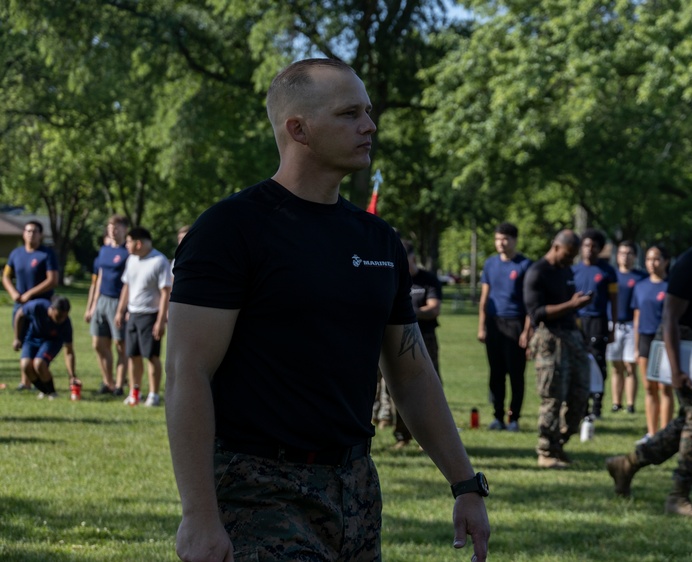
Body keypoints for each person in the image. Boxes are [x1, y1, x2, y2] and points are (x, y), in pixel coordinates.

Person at [165, 57, 489, 561]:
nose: (369, 125)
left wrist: (465, 483)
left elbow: (411, 373)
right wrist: (199, 515)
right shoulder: (231, 230)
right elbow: (188, 374)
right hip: (257, 488)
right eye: (349, 113)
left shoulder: (378, 239)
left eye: (368, 111)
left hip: (356, 487)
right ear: (299, 129)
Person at [606, 212, 692, 519]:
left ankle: (627, 463)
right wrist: (676, 367)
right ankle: (678, 496)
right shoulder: (690, 263)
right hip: (680, 344)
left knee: (691, 420)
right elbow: (669, 317)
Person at [524, 229, 592, 469]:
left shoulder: (566, 270)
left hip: (572, 337)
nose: (570, 259)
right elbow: (537, 313)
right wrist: (571, 304)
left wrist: (576, 306)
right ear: (556, 246)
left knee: (580, 395)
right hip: (550, 339)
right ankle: (545, 451)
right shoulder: (537, 273)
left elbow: (568, 306)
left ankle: (559, 443)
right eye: (568, 254)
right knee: (552, 397)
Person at [478, 222, 532, 431]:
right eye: (498, 238)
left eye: (505, 239)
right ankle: (498, 417)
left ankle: (514, 418)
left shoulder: (525, 265)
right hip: (494, 324)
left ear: (515, 240)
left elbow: (530, 303)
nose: (501, 243)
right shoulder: (490, 264)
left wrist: (527, 331)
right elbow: (484, 297)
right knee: (496, 373)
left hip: (516, 323)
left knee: (516, 374)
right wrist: (482, 326)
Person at [393, 239, 444, 450]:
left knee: (430, 386)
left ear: (413, 257)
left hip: (425, 338)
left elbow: (434, 309)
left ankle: (431, 437)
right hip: (399, 339)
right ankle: (403, 435)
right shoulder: (395, 279)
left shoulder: (428, 280)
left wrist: (407, 314)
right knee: (398, 387)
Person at [115, 227, 172, 407]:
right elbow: (127, 286)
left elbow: (165, 293)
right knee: (132, 355)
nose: (126, 246)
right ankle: (135, 393)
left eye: (129, 242)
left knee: (151, 356)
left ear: (138, 243)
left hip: (150, 315)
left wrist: (160, 320)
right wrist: (120, 310)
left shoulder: (159, 261)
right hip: (133, 314)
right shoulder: (131, 260)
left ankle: (153, 394)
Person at [3, 220, 60, 391]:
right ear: (23, 234)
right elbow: (6, 276)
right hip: (20, 305)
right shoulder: (16, 254)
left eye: (35, 231)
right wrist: (13, 293)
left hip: (41, 307)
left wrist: (30, 294)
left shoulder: (47, 254)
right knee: (23, 340)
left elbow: (53, 280)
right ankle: (25, 382)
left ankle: (38, 378)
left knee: (38, 340)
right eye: (28, 231)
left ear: (41, 235)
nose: (31, 234)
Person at [572, 229, 618, 418]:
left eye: (594, 246)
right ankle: (582, 405)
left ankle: (597, 405)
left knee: (598, 361)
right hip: (578, 321)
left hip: (598, 320)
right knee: (580, 362)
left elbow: (614, 300)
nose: (589, 250)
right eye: (586, 245)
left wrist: (613, 325)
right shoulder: (574, 270)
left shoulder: (608, 272)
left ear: (600, 249)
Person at [84, 215, 130, 395]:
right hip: (102, 300)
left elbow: (131, 282)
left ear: (125, 229)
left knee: (120, 345)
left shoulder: (129, 252)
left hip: (119, 301)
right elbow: (99, 278)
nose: (113, 230)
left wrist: (125, 309)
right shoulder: (104, 250)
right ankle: (107, 381)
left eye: (117, 227)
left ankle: (119, 385)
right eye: (110, 226)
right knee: (98, 344)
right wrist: (92, 305)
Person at [632, 244, 671, 442]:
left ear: (666, 261)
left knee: (665, 388)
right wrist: (636, 347)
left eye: (656, 259)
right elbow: (637, 318)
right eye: (648, 259)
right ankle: (652, 432)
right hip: (646, 340)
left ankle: (665, 433)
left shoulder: (671, 286)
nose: (652, 263)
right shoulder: (640, 286)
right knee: (649, 387)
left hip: (665, 340)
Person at [607, 241, 647, 414]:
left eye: (629, 253)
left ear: (635, 257)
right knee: (617, 367)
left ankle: (630, 404)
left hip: (632, 326)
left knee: (631, 366)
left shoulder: (640, 277)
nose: (625, 256)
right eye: (622, 253)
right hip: (614, 324)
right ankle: (617, 403)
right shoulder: (612, 275)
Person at [13, 296, 76, 400]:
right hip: (33, 338)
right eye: (59, 316)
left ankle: (52, 393)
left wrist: (72, 375)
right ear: (51, 309)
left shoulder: (66, 324)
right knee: (25, 365)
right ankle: (44, 391)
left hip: (53, 341)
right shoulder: (37, 306)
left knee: (39, 364)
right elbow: (19, 314)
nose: (61, 319)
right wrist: (17, 338)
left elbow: (69, 351)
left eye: (65, 316)